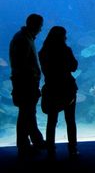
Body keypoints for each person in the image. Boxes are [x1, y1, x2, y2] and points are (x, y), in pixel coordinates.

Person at [9, 13, 47, 156]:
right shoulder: (22, 39)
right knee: (26, 113)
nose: (41, 29)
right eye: (40, 26)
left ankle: (33, 142)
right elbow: (22, 65)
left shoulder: (25, 37)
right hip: (25, 84)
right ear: (34, 25)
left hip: (27, 83)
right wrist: (32, 79)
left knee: (28, 113)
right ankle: (26, 145)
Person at [38, 26, 79, 158]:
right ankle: (72, 149)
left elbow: (45, 70)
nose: (66, 37)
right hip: (67, 88)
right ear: (62, 36)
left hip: (51, 88)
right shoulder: (66, 50)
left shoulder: (43, 52)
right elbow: (74, 67)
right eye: (65, 35)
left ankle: (50, 149)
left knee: (51, 120)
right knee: (70, 120)